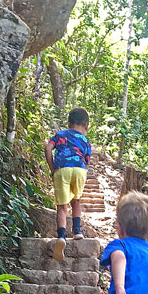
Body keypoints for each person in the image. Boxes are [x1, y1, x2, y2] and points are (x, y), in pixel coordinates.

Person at [44, 107, 92, 261]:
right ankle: (77, 231)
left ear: (68, 123)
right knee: (76, 200)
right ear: (86, 126)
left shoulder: (59, 135)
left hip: (61, 170)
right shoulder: (86, 141)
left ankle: (62, 236)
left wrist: (52, 168)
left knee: (62, 206)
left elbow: (48, 148)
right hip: (79, 170)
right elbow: (87, 161)